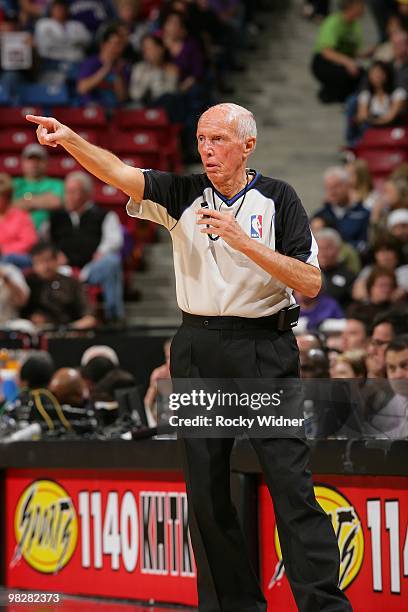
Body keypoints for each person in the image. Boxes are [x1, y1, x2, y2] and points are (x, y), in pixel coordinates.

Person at [26, 102, 352, 612]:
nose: (207, 149)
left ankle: (324, 606)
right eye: (202, 139)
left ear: (248, 145)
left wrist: (246, 243)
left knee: (291, 485)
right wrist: (69, 139)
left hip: (264, 348)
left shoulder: (278, 198)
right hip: (198, 347)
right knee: (204, 491)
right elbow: (117, 171)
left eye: (219, 139)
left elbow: (310, 283)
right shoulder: (182, 193)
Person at [49, 171, 124, 322]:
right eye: (66, 191)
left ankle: (114, 317)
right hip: (62, 269)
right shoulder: (56, 217)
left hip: (90, 268)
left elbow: (115, 240)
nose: (68, 196)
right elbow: (44, 242)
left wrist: (102, 251)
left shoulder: (104, 215)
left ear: (87, 194)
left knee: (111, 262)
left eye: (73, 192)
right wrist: (54, 255)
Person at [22, 241, 97, 329]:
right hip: (36, 332)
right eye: (39, 262)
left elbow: (89, 317)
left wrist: (69, 328)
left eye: (48, 260)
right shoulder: (28, 283)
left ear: (57, 260)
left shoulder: (73, 283)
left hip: (69, 332)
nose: (45, 266)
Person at [311, 0, 365, 103]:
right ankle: (329, 92)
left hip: (344, 61)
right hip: (324, 61)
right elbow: (326, 51)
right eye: (360, 5)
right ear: (352, 7)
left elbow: (357, 51)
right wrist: (348, 62)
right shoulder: (333, 21)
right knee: (343, 74)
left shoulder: (356, 25)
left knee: (362, 75)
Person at [313, 166, 370, 251]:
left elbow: (365, 245)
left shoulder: (362, 214)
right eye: (328, 188)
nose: (332, 191)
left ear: (348, 186)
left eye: (336, 187)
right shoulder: (320, 215)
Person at [12, 143, 64, 234]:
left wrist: (25, 200)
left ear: (47, 162)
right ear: (22, 162)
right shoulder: (14, 184)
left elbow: (56, 202)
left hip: (48, 235)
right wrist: (43, 199)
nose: (34, 163)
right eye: (30, 159)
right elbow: (7, 205)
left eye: (39, 160)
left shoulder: (57, 184)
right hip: (16, 234)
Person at [77, 24, 128, 108]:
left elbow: (122, 98)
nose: (117, 48)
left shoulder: (122, 66)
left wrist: (117, 73)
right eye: (114, 44)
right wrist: (105, 69)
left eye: (120, 45)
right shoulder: (91, 63)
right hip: (91, 110)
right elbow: (82, 88)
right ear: (103, 44)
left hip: (115, 111)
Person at [0, 172, 37, 269]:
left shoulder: (21, 216)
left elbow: (29, 241)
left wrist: (4, 249)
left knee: (8, 258)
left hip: (21, 257)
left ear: (7, 197)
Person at [315, 228, 356, 307]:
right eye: (320, 248)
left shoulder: (348, 275)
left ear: (338, 249)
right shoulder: (309, 272)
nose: (324, 253)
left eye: (328, 248)